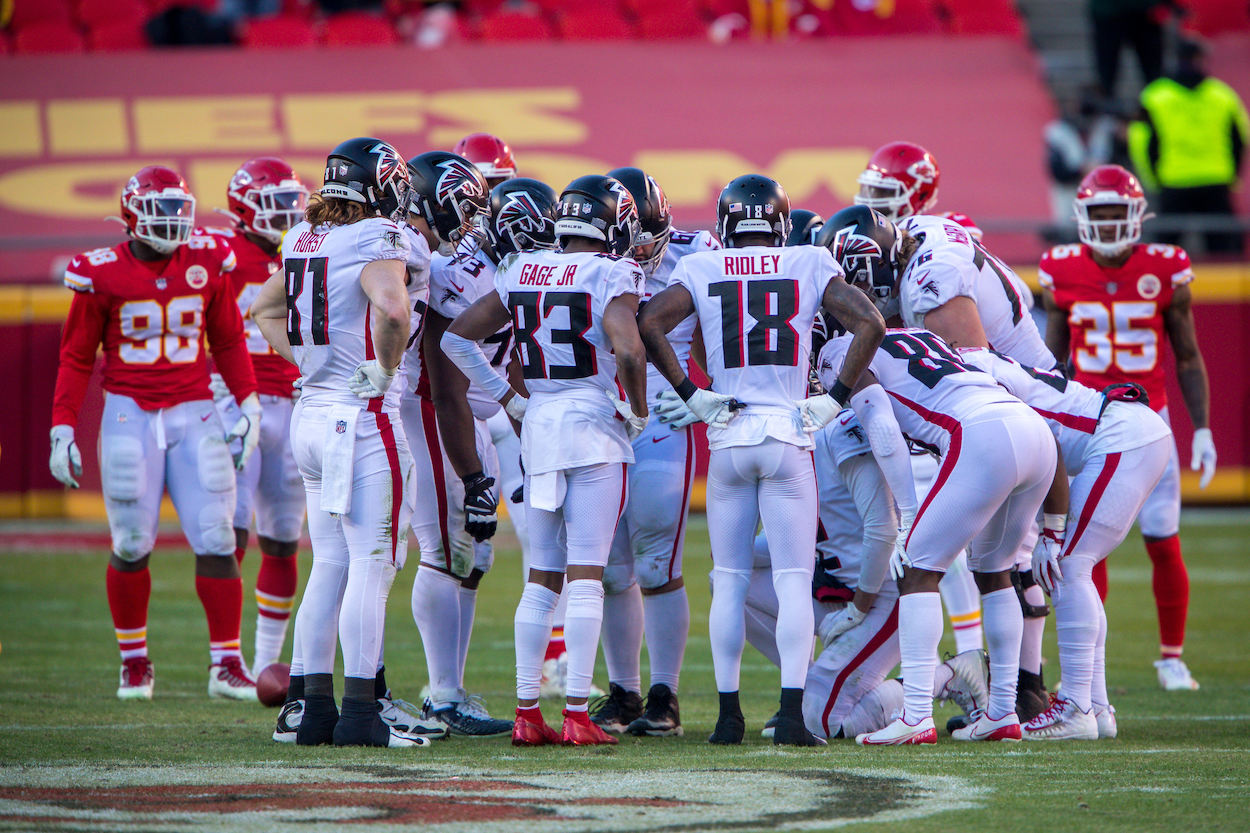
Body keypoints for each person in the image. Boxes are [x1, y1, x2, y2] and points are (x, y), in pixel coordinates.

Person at [637, 173, 886, 746]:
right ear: (780, 222)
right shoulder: (806, 261)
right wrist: (836, 399)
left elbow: (650, 322)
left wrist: (690, 392)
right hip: (788, 432)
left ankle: (728, 718)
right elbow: (870, 322)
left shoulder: (701, 267)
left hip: (729, 435)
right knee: (794, 583)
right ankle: (793, 716)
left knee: (727, 582)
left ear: (725, 224)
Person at [442, 174, 649, 747]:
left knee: (541, 579)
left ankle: (527, 712)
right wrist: (638, 410)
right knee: (586, 578)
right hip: (590, 426)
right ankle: (579, 714)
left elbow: (456, 341)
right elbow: (629, 349)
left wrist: (510, 399)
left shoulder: (520, 269)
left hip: (540, 427)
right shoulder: (612, 272)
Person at [49, 165, 261, 701]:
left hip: (194, 409)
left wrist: (249, 402)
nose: (172, 222)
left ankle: (226, 664)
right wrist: (62, 427)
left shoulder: (208, 260)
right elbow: (76, 357)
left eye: (178, 210)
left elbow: (229, 340)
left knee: (217, 536)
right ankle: (135, 661)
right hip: (130, 411)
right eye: (160, 210)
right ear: (131, 215)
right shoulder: (101, 273)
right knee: (132, 541)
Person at [249, 137, 422, 748]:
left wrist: (309, 361)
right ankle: (359, 715)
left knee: (330, 565)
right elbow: (395, 311)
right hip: (363, 415)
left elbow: (263, 307)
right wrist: (381, 364)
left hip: (312, 413)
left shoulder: (302, 238)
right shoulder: (379, 235)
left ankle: (314, 711)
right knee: (371, 569)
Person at [817, 328, 1064, 745]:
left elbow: (879, 423)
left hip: (979, 435)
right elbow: (1048, 435)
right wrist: (1053, 532)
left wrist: (909, 515)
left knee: (917, 569)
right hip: (1034, 432)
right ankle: (1002, 713)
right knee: (994, 572)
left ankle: (916, 716)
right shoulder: (924, 335)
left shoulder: (840, 349)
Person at [1040, 163, 1214, 691]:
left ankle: (1171, 657)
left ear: (1138, 216)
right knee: (1088, 546)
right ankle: (1095, 662)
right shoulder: (1061, 269)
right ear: (1081, 216)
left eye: (1120, 214)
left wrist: (1202, 428)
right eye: (1101, 214)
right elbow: (1054, 360)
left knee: (1163, 538)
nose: (1111, 225)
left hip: (1148, 419)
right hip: (1088, 418)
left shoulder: (1166, 268)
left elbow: (1186, 354)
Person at [958, 348, 1172, 740]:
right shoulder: (984, 362)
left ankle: (1076, 707)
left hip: (1119, 435)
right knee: (1077, 567)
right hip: (1132, 431)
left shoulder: (973, 373)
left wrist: (1051, 532)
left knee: (1068, 565)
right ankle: (1097, 705)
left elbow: (1047, 444)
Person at [588, 167, 720, 738]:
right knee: (610, 568)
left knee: (657, 560)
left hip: (663, 416)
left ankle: (664, 693)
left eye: (649, 237)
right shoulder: (581, 255)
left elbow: (736, 328)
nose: (641, 250)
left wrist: (703, 397)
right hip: (600, 418)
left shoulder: (696, 255)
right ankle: (622, 691)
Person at [400, 153, 528, 737]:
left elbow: (516, 362)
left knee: (477, 554)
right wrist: (475, 476)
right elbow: (447, 388)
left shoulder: (504, 271)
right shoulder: (455, 273)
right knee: (445, 549)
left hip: (471, 415)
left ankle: (450, 690)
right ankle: (441, 696)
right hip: (431, 409)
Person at [852, 143, 986, 659]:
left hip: (947, 394)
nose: (874, 204)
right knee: (937, 544)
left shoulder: (942, 238)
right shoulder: (879, 241)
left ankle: (977, 655)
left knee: (941, 541)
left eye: (885, 194)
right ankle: (976, 657)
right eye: (870, 193)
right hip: (916, 397)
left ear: (920, 194)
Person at [206, 157, 309, 677]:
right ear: (243, 208)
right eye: (277, 204)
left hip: (294, 401)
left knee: (284, 537)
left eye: (295, 202)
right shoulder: (218, 254)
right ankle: (226, 658)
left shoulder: (312, 247)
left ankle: (268, 663)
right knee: (229, 531)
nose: (290, 214)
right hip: (232, 400)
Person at [1129, 37, 1249, 255]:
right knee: (1225, 252)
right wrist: (1233, 176)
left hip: (1173, 180)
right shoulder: (1222, 94)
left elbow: (1139, 140)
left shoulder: (1155, 96)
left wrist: (1153, 179)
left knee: (1162, 253)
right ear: (1201, 59)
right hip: (1216, 179)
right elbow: (1241, 137)